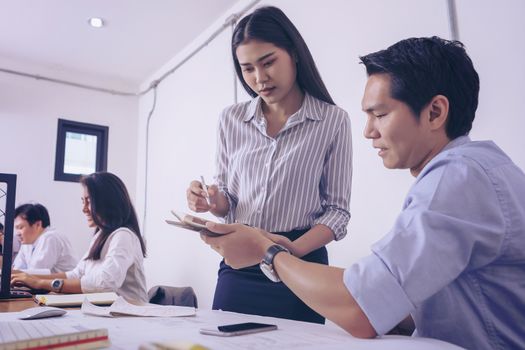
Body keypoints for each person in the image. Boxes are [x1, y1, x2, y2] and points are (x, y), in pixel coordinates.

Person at [199, 36, 525, 350]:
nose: (368, 131)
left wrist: (267, 252)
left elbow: (360, 308)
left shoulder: (457, 179)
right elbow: (461, 300)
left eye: (379, 114)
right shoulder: (478, 170)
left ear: (435, 112)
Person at [186, 6, 352, 323]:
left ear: (294, 53)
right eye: (247, 68)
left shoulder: (332, 120)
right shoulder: (230, 119)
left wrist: (288, 251)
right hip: (240, 265)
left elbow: (337, 212)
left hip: (302, 266)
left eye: (268, 62)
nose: (259, 78)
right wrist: (210, 200)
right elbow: (228, 199)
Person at [11, 172, 148, 303]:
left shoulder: (123, 235)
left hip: (130, 314)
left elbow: (105, 283)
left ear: (108, 202)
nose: (84, 209)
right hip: (107, 310)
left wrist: (39, 282)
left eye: (88, 201)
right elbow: (76, 274)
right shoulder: (100, 235)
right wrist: (29, 278)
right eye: (83, 201)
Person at [12, 203, 77, 274]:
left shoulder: (50, 238)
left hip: (63, 284)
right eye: (16, 228)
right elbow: (16, 270)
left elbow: (35, 274)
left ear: (38, 225)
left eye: (20, 227)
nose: (17, 233)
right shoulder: (27, 243)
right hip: (45, 284)